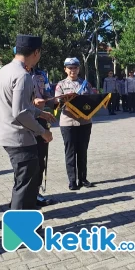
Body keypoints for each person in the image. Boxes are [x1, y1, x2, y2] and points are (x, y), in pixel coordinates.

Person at [0, 35, 55, 210]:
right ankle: (20, 234)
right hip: (19, 138)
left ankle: (19, 230)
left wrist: (39, 113)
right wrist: (42, 131)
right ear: (36, 52)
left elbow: (18, 105)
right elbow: (20, 112)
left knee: (22, 184)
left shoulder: (5, 70)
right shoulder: (23, 75)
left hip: (7, 135)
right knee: (26, 189)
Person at [55, 57, 95, 190]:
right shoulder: (60, 85)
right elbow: (57, 104)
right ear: (65, 69)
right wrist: (63, 101)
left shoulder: (86, 84)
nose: (73, 70)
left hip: (84, 122)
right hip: (68, 123)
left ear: (79, 69)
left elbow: (92, 101)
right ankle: (72, 180)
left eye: (75, 67)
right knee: (70, 152)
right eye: (70, 68)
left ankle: (83, 178)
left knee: (83, 151)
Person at [30, 65, 56, 207]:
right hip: (26, 118)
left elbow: (47, 93)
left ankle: (36, 193)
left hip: (40, 117)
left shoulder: (41, 74)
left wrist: (57, 101)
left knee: (41, 158)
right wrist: (33, 102)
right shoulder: (17, 73)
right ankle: (23, 194)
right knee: (26, 161)